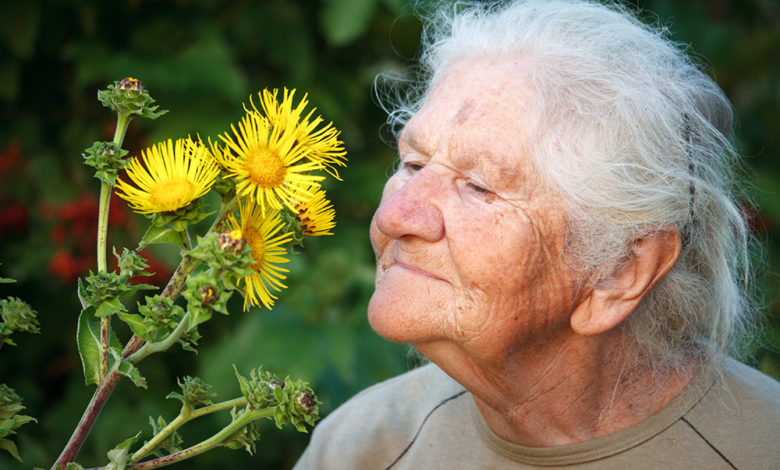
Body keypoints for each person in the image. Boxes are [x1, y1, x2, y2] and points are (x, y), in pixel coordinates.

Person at [294, 1, 780, 468]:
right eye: (413, 163)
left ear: (621, 270)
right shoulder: (359, 448)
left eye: (479, 187)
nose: (396, 216)